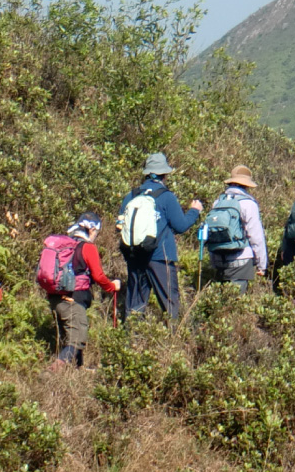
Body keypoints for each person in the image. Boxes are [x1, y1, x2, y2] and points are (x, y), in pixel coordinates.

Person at [118, 152, 203, 322]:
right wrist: (195, 211)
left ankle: (131, 340)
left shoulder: (132, 196)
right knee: (169, 301)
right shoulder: (166, 197)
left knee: (135, 304)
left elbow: (120, 224)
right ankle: (173, 339)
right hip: (160, 257)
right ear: (165, 174)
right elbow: (180, 226)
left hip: (135, 256)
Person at [40, 213, 119, 367]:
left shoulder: (65, 245)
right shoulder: (87, 247)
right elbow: (99, 276)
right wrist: (112, 286)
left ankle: (76, 373)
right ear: (91, 229)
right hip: (73, 301)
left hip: (55, 299)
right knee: (77, 340)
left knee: (67, 340)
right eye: (96, 232)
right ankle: (51, 373)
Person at [203, 165, 268, 291]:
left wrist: (212, 260)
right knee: (236, 303)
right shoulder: (248, 203)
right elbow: (256, 236)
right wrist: (262, 265)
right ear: (247, 185)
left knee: (220, 300)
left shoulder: (218, 202)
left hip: (218, 258)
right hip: (241, 261)